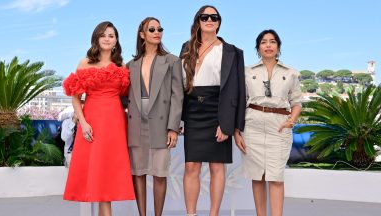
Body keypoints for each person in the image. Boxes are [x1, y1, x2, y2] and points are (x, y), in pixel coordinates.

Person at [62, 21, 135, 216]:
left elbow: (127, 95)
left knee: (109, 170)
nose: (107, 39)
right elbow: (75, 97)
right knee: (96, 168)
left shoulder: (120, 64)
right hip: (93, 119)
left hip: (116, 121)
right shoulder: (85, 62)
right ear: (96, 38)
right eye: (103, 35)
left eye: (111, 35)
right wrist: (83, 122)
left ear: (116, 40)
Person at [180, 5, 245, 216]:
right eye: (205, 16)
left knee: (217, 167)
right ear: (198, 21)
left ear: (219, 21)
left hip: (217, 110)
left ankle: (213, 214)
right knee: (191, 166)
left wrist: (228, 124)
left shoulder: (232, 51)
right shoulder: (186, 48)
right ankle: (191, 214)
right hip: (192, 111)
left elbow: (237, 90)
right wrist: (178, 120)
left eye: (214, 17)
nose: (210, 20)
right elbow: (180, 85)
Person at [234, 29, 302, 216]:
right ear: (258, 48)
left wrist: (291, 121)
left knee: (276, 177)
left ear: (278, 47)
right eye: (264, 42)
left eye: (272, 41)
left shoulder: (290, 73)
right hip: (252, 125)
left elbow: (297, 103)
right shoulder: (247, 72)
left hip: (279, 126)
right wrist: (236, 131)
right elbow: (240, 102)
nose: (268, 45)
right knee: (257, 177)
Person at [126, 17, 183, 216]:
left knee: (160, 174)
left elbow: (178, 95)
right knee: (138, 173)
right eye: (152, 29)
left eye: (160, 28)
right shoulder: (130, 64)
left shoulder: (172, 60)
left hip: (161, 122)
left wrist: (174, 127)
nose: (157, 32)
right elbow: (124, 98)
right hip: (136, 123)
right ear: (142, 34)